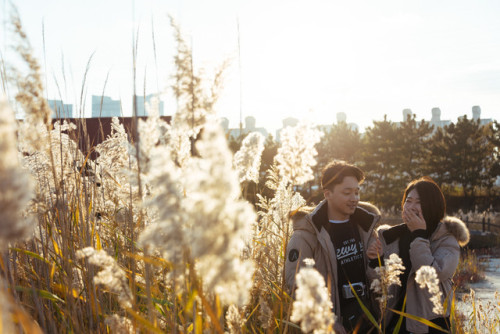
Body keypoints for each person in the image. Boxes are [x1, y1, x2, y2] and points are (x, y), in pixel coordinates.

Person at [285, 161, 381, 333]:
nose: (355, 198)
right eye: (347, 193)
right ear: (327, 193)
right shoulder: (306, 235)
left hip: (368, 319)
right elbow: (297, 284)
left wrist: (376, 263)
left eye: (357, 192)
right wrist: (327, 320)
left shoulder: (365, 227)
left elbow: (378, 275)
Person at [371, 177, 470, 333]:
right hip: (394, 322)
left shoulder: (447, 240)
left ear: (433, 206)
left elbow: (433, 273)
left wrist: (419, 234)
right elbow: (377, 279)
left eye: (419, 202)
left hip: (429, 325)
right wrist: (374, 260)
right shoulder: (390, 236)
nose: (412, 207)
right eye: (408, 201)